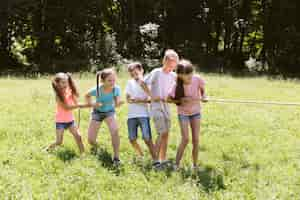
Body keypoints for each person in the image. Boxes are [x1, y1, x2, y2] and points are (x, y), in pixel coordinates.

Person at [141, 49, 179, 167]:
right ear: (164, 61)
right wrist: (152, 96)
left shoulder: (174, 76)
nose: (171, 67)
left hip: (166, 106)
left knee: (166, 133)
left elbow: (175, 92)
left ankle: (163, 159)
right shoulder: (157, 72)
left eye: (173, 65)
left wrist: (173, 99)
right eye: (169, 64)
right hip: (156, 106)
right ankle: (155, 160)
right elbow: (143, 83)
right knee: (162, 132)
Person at [168, 60, 207, 170]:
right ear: (180, 75)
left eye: (191, 72)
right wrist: (181, 100)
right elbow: (168, 99)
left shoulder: (197, 79)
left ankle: (195, 165)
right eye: (187, 74)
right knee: (185, 139)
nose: (190, 75)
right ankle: (176, 164)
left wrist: (204, 97)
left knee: (196, 140)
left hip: (196, 113)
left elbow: (203, 91)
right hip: (183, 114)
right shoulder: (176, 85)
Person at [47, 73, 99, 153]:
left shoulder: (69, 92)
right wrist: (88, 105)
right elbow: (67, 107)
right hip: (60, 121)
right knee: (59, 142)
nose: (65, 84)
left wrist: (88, 103)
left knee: (78, 136)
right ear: (57, 84)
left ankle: (82, 153)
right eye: (63, 82)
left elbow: (76, 101)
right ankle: (48, 149)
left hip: (70, 120)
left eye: (66, 82)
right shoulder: (58, 96)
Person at [85, 68, 123, 166]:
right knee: (91, 140)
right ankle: (99, 147)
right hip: (97, 113)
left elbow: (117, 101)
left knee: (115, 131)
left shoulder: (116, 89)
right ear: (103, 81)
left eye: (114, 80)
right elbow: (87, 95)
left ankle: (116, 157)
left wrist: (118, 103)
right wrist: (93, 104)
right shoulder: (98, 89)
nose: (112, 82)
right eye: (109, 80)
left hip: (109, 112)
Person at [125, 62, 159, 166]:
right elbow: (128, 99)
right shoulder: (129, 83)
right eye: (131, 73)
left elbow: (150, 99)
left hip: (144, 114)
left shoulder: (146, 82)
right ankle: (140, 155)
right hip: (131, 115)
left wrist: (139, 100)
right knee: (132, 139)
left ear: (141, 71)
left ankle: (156, 160)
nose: (133, 75)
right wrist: (140, 100)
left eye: (136, 72)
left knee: (147, 138)